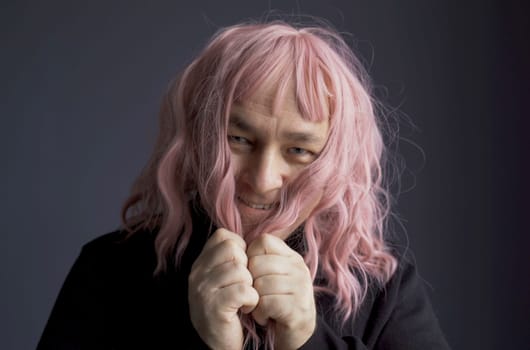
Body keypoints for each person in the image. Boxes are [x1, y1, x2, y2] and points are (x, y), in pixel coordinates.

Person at [37, 19, 451, 350]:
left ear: (333, 161)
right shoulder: (108, 269)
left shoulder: (383, 288)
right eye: (239, 140)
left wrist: (308, 342)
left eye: (299, 151)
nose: (262, 179)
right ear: (198, 135)